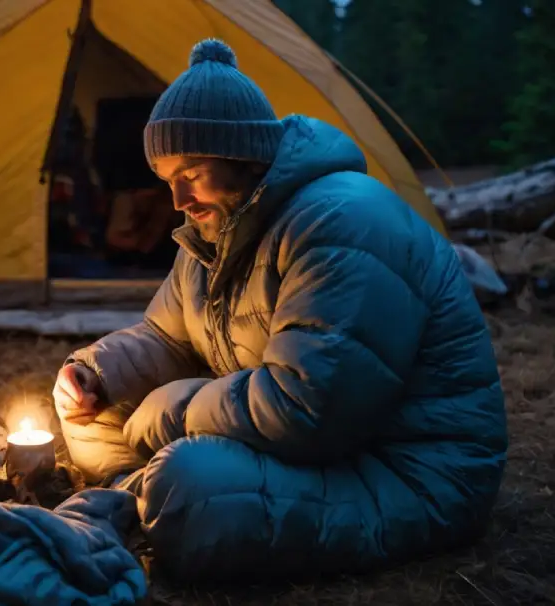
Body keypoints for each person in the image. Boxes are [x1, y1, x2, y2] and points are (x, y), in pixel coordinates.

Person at [51, 39, 508, 582]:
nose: (177, 199)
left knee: (190, 487)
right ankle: (138, 498)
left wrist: (173, 410)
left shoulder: (341, 224)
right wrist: (96, 372)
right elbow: (169, 337)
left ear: (243, 156)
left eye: (191, 172)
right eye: (168, 179)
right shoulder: (212, 229)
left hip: (407, 467)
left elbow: (311, 410)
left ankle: (147, 498)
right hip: (309, 450)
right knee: (88, 410)